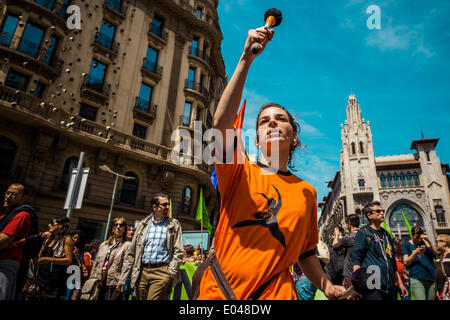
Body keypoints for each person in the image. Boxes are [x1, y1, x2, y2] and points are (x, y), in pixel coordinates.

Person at [193, 26, 346, 300]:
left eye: (281, 119)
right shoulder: (238, 171)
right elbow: (221, 124)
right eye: (264, 121)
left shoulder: (307, 193)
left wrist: (327, 285)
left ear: (295, 137)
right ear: (258, 136)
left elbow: (306, 253)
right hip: (218, 294)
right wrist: (245, 59)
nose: (272, 122)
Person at [117, 194, 184, 300]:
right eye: (164, 204)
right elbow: (131, 254)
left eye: (168, 204)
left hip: (162, 272)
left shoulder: (174, 225)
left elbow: (179, 251)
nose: (167, 207)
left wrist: (170, 273)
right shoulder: (142, 225)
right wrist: (122, 279)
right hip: (141, 272)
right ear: (154, 207)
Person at [352, 201, 408, 300]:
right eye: (378, 211)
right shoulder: (363, 232)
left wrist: (400, 284)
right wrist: (358, 285)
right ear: (369, 215)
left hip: (390, 287)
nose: (382, 213)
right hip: (372, 287)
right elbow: (356, 259)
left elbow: (393, 262)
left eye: (383, 211)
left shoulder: (387, 235)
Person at [0, 183, 35, 300]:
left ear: (24, 198)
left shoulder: (22, 215)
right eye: (7, 193)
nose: (8, 197)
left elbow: (2, 241)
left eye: (14, 194)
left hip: (5, 264)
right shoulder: (4, 217)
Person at [26, 217, 75, 300]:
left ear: (60, 225)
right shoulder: (48, 239)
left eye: (52, 223)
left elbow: (68, 260)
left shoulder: (67, 240)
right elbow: (39, 257)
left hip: (54, 282)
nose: (49, 225)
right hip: (39, 279)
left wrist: (48, 259)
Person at [84, 217, 131, 300]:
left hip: (113, 283)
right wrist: (91, 280)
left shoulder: (127, 245)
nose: (118, 227)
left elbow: (127, 265)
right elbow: (96, 264)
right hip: (98, 281)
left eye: (121, 225)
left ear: (124, 229)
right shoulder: (103, 245)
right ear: (112, 228)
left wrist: (122, 281)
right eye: (116, 224)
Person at [402, 226, 437, 300]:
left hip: (430, 277)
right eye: (416, 237)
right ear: (411, 235)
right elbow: (406, 262)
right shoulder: (406, 245)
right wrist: (416, 252)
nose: (419, 239)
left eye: (420, 237)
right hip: (417, 278)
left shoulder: (424, 243)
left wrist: (429, 241)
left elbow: (435, 254)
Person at [332, 214, 360, 289]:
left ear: (349, 224)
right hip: (363, 273)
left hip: (350, 274)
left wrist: (337, 235)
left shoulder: (348, 238)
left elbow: (334, 247)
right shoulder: (365, 236)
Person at [434, 234, 450, 299]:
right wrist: (436, 289)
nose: (435, 244)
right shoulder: (438, 256)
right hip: (440, 288)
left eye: (436, 242)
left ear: (444, 242)